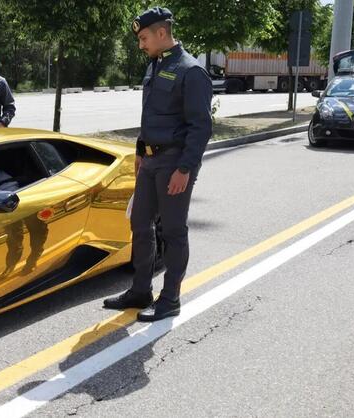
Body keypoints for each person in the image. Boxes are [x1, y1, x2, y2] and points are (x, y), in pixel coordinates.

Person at [103, 7, 212, 322]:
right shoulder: (154, 66)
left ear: (162, 33)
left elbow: (201, 127)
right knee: (140, 224)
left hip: (174, 162)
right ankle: (140, 291)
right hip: (150, 161)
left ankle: (170, 299)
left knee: (173, 231)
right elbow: (150, 114)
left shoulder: (191, 71)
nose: (141, 45)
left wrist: (185, 169)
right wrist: (140, 148)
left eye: (144, 38)